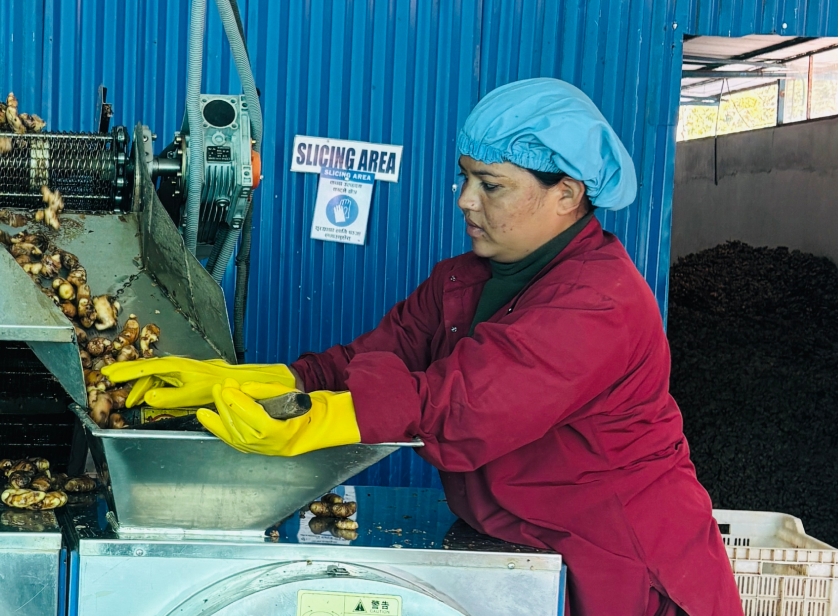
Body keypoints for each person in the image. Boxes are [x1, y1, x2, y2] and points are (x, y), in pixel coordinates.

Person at [105, 78, 742, 615]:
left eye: (490, 185)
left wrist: (322, 421)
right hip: (524, 546)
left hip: (621, 569)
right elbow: (361, 362)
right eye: (465, 179)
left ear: (568, 194)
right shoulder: (463, 281)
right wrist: (241, 381)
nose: (466, 201)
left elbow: (466, 405)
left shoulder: (599, 301)